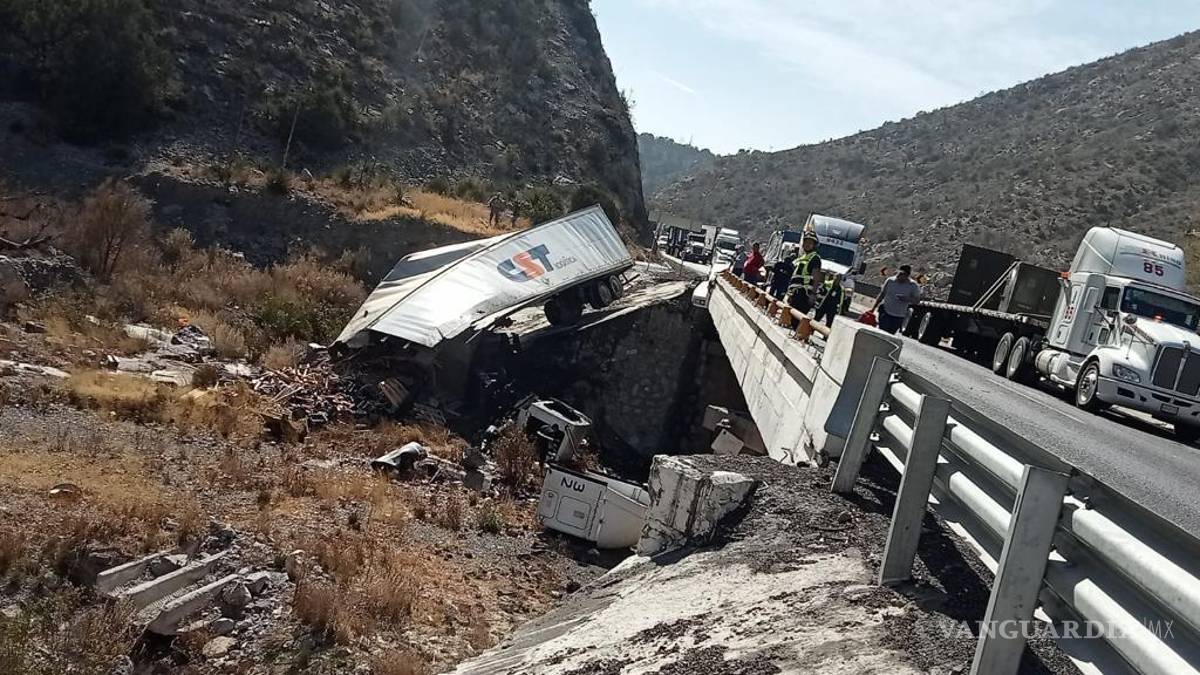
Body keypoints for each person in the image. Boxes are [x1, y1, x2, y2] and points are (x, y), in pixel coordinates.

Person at [873, 264, 923, 334]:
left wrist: (907, 299)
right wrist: (873, 308)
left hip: (899, 315)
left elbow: (917, 301)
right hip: (886, 311)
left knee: (890, 334)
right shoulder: (890, 280)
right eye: (899, 274)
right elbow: (882, 294)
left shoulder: (913, 285)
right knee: (882, 332)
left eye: (903, 274)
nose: (899, 276)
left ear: (907, 275)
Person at [787, 232, 824, 313]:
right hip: (795, 293)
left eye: (810, 243)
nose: (807, 244)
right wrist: (790, 293)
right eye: (806, 242)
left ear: (814, 245)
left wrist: (813, 294)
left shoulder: (815, 258)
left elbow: (816, 278)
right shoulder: (802, 258)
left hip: (805, 295)